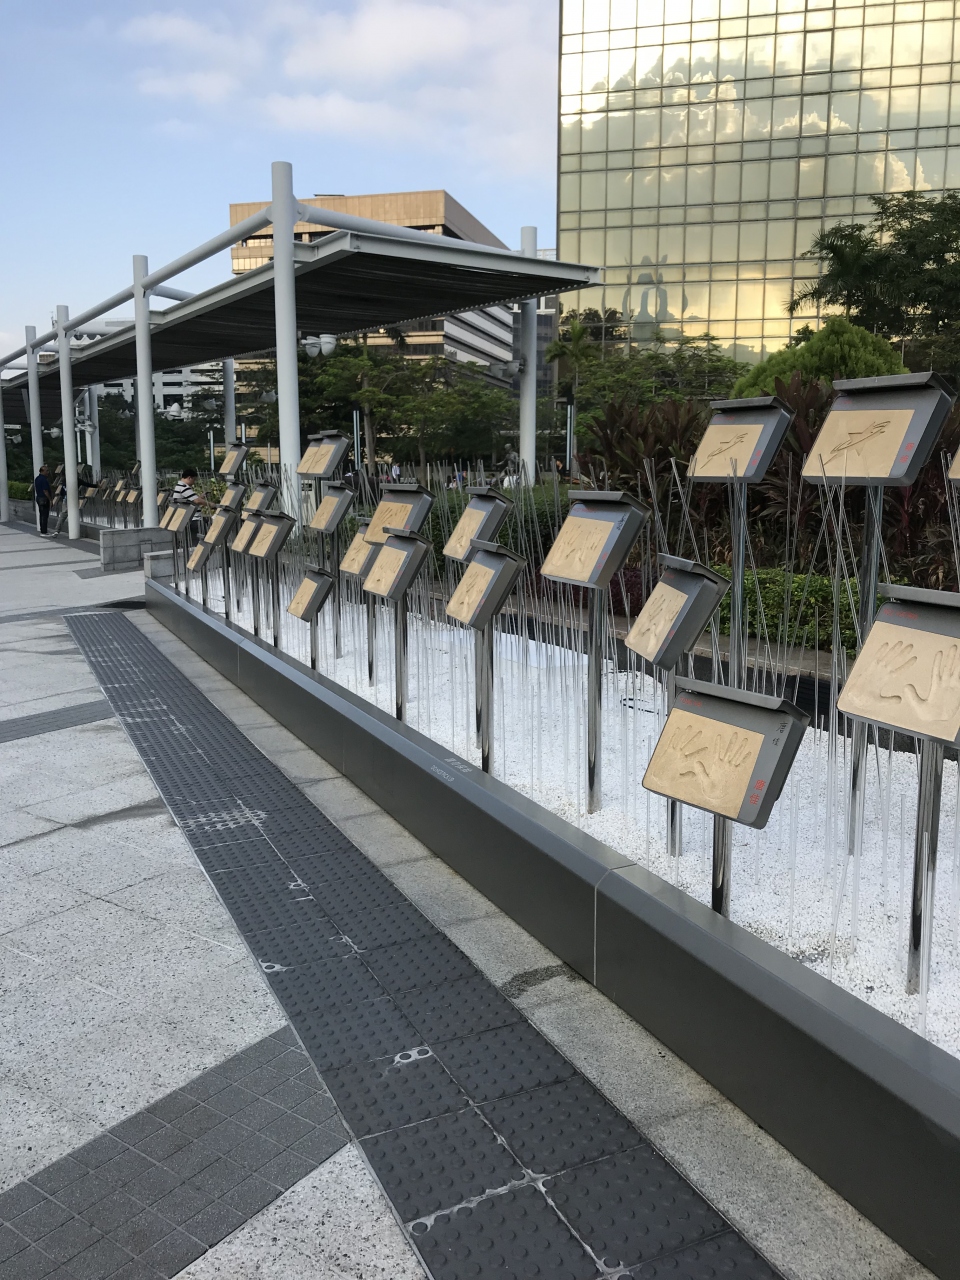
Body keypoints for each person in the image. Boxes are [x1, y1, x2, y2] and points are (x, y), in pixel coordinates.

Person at [34, 465, 52, 535]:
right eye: (46, 471)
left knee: (42, 515)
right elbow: (45, 490)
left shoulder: (37, 478)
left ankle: (43, 530)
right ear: (42, 471)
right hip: (44, 499)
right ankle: (44, 531)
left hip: (39, 498)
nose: (48, 472)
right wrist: (50, 499)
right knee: (44, 515)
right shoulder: (44, 479)